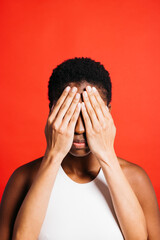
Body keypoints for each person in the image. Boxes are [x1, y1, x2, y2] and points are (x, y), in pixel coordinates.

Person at [0, 57, 160, 240]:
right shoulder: (23, 178)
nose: (79, 128)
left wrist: (107, 154)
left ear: (108, 113)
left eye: (89, 115)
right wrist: (53, 155)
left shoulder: (135, 179)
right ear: (52, 111)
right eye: (70, 113)